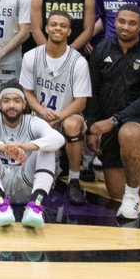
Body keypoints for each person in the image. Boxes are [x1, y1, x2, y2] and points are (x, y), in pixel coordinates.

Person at [87, 5, 140, 219]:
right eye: (121, 21)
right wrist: (91, 128)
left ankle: (133, 199)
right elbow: (92, 93)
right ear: (114, 22)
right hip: (108, 121)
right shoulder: (101, 51)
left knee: (128, 134)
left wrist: (113, 120)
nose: (125, 27)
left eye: (132, 23)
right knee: (115, 192)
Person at [0, 80, 66, 228]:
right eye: (6, 101)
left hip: (27, 184)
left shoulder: (33, 121)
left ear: (24, 104)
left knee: (46, 147)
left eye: (16, 101)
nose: (11, 105)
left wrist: (24, 146)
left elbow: (58, 139)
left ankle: (35, 206)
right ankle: (1, 205)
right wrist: (4, 147)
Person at [20, 11, 91, 205]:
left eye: (62, 25)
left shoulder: (78, 62)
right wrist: (42, 112)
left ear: (69, 31)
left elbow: (81, 102)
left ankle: (74, 180)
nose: (57, 28)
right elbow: (27, 92)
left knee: (72, 125)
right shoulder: (31, 57)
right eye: (54, 24)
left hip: (66, 115)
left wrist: (57, 117)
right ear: (46, 28)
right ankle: (44, 169)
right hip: (40, 115)